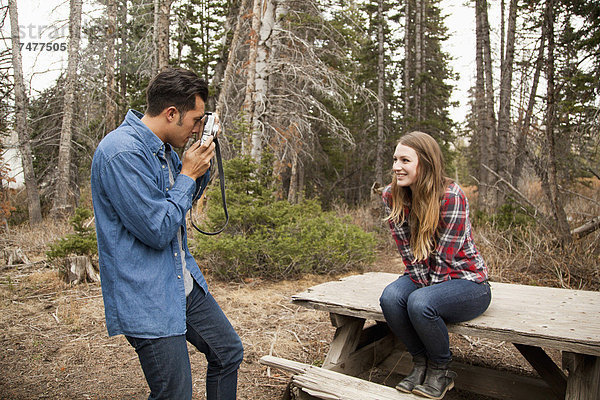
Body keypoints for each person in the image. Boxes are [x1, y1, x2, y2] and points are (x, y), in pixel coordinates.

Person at [91, 68, 243, 400]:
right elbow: (158, 228)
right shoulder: (121, 153)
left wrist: (199, 163)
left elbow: (180, 200)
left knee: (228, 353)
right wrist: (187, 174)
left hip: (179, 283)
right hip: (148, 297)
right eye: (194, 120)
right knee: (174, 393)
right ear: (171, 113)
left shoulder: (165, 150)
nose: (196, 128)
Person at [379, 131, 491, 400]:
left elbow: (444, 259)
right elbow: (407, 251)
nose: (396, 167)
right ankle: (420, 363)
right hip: (422, 272)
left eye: (405, 160)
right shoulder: (391, 195)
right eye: (395, 159)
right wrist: (418, 287)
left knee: (420, 303)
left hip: (466, 281)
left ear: (425, 163)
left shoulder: (451, 196)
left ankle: (441, 369)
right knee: (391, 298)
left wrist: (422, 296)